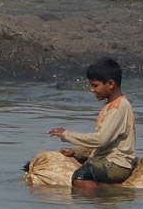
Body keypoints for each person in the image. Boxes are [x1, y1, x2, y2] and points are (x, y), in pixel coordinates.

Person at [48, 57, 136, 189]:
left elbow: (100, 140)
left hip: (117, 164)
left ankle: (100, 202)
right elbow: (105, 142)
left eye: (95, 85)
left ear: (111, 84)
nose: (92, 90)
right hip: (107, 159)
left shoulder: (118, 108)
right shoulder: (111, 105)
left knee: (80, 176)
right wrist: (76, 151)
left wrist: (67, 135)